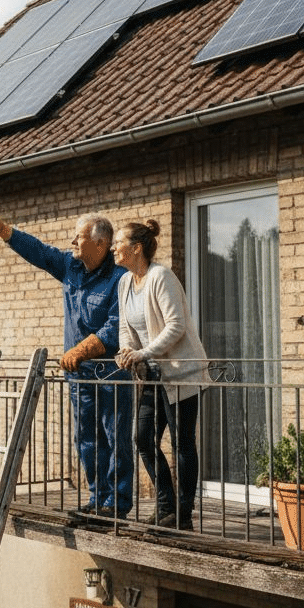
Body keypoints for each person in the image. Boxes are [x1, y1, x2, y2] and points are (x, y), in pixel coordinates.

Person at [0, 202, 134, 517]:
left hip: (111, 375)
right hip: (80, 376)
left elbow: (117, 325)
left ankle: (116, 503)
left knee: (115, 438)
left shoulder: (120, 277)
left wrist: (80, 350)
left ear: (100, 243)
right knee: (86, 438)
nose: (72, 242)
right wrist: (2, 229)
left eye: (79, 237)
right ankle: (98, 498)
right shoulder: (71, 266)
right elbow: (40, 252)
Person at [112, 219, 208, 530]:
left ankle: (183, 515)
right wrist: (127, 351)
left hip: (181, 373)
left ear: (136, 248)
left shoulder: (161, 277)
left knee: (182, 442)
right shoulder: (124, 283)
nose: (114, 248)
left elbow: (176, 326)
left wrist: (143, 353)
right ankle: (166, 504)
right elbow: (125, 328)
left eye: (118, 242)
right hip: (151, 375)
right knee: (142, 438)